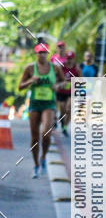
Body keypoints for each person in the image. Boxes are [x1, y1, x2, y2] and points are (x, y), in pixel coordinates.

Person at [18, 42, 65, 177]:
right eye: (40, 52)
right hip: (34, 103)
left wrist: (57, 86)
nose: (42, 55)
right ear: (36, 54)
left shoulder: (55, 68)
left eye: (45, 52)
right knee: (34, 137)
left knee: (46, 133)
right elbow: (20, 87)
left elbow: (63, 81)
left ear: (48, 54)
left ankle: (43, 157)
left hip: (49, 103)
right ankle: (36, 165)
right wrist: (30, 81)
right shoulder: (30, 68)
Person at [54, 49, 81, 137]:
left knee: (69, 108)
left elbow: (81, 79)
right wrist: (60, 83)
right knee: (62, 108)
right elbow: (56, 77)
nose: (69, 60)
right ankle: (61, 120)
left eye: (71, 58)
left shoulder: (76, 68)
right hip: (62, 91)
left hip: (72, 92)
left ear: (73, 59)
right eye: (68, 58)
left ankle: (65, 126)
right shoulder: (61, 67)